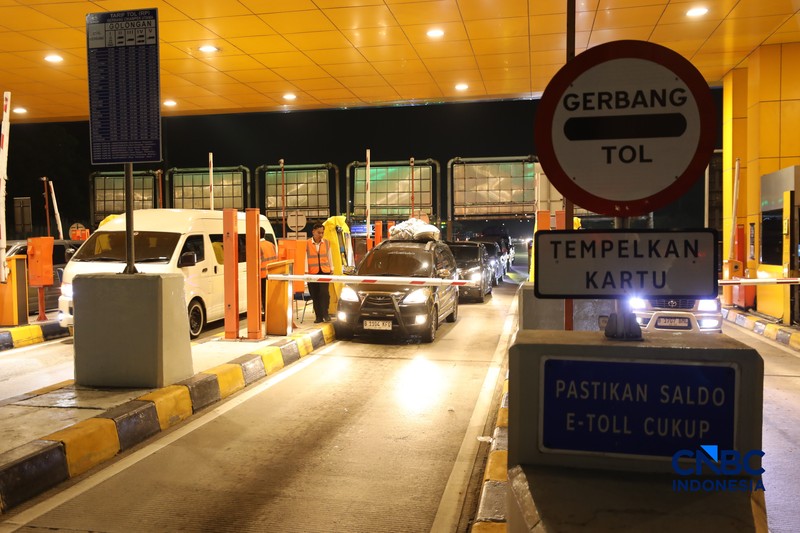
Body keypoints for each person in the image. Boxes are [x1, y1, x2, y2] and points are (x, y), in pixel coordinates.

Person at [306, 222, 333, 323]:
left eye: (322, 233)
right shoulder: (307, 243)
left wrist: (332, 268)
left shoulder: (326, 242)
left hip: (324, 271)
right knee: (315, 295)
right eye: (319, 232)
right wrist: (305, 272)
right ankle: (318, 316)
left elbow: (329, 256)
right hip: (312, 273)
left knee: (324, 293)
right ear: (313, 232)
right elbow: (305, 258)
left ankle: (325, 314)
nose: (321, 235)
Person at [259, 227, 278, 317]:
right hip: (272, 274)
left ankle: (267, 315)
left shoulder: (258, 246)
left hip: (262, 275)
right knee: (271, 296)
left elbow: (257, 262)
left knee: (264, 296)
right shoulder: (271, 244)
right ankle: (272, 313)